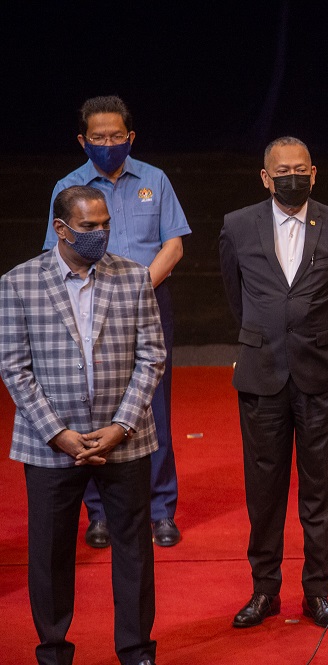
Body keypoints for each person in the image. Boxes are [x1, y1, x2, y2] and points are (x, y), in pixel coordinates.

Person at [1, 186, 165, 665]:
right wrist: (59, 433)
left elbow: (153, 356)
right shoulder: (18, 282)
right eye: (89, 227)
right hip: (51, 444)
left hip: (124, 440)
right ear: (60, 228)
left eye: (105, 224)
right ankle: (53, 650)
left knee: (133, 549)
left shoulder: (134, 278)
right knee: (50, 555)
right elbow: (14, 367)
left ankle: (136, 650)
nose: (100, 234)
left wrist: (121, 425)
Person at [219, 136, 328, 630]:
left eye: (300, 168)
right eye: (282, 170)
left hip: (322, 374)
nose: (291, 177)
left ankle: (317, 592)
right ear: (265, 177)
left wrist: (308, 332)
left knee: (323, 491)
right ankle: (264, 591)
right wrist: (269, 334)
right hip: (262, 375)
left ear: (314, 172)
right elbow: (235, 298)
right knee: (263, 491)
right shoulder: (237, 226)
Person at [43, 95, 191, 549]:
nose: (108, 143)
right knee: (92, 404)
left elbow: (174, 245)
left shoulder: (155, 179)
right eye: (98, 137)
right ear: (83, 141)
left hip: (148, 300)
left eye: (115, 136)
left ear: (130, 138)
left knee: (153, 405)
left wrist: (135, 287)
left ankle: (161, 509)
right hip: (87, 306)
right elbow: (55, 252)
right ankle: (100, 513)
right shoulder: (67, 188)